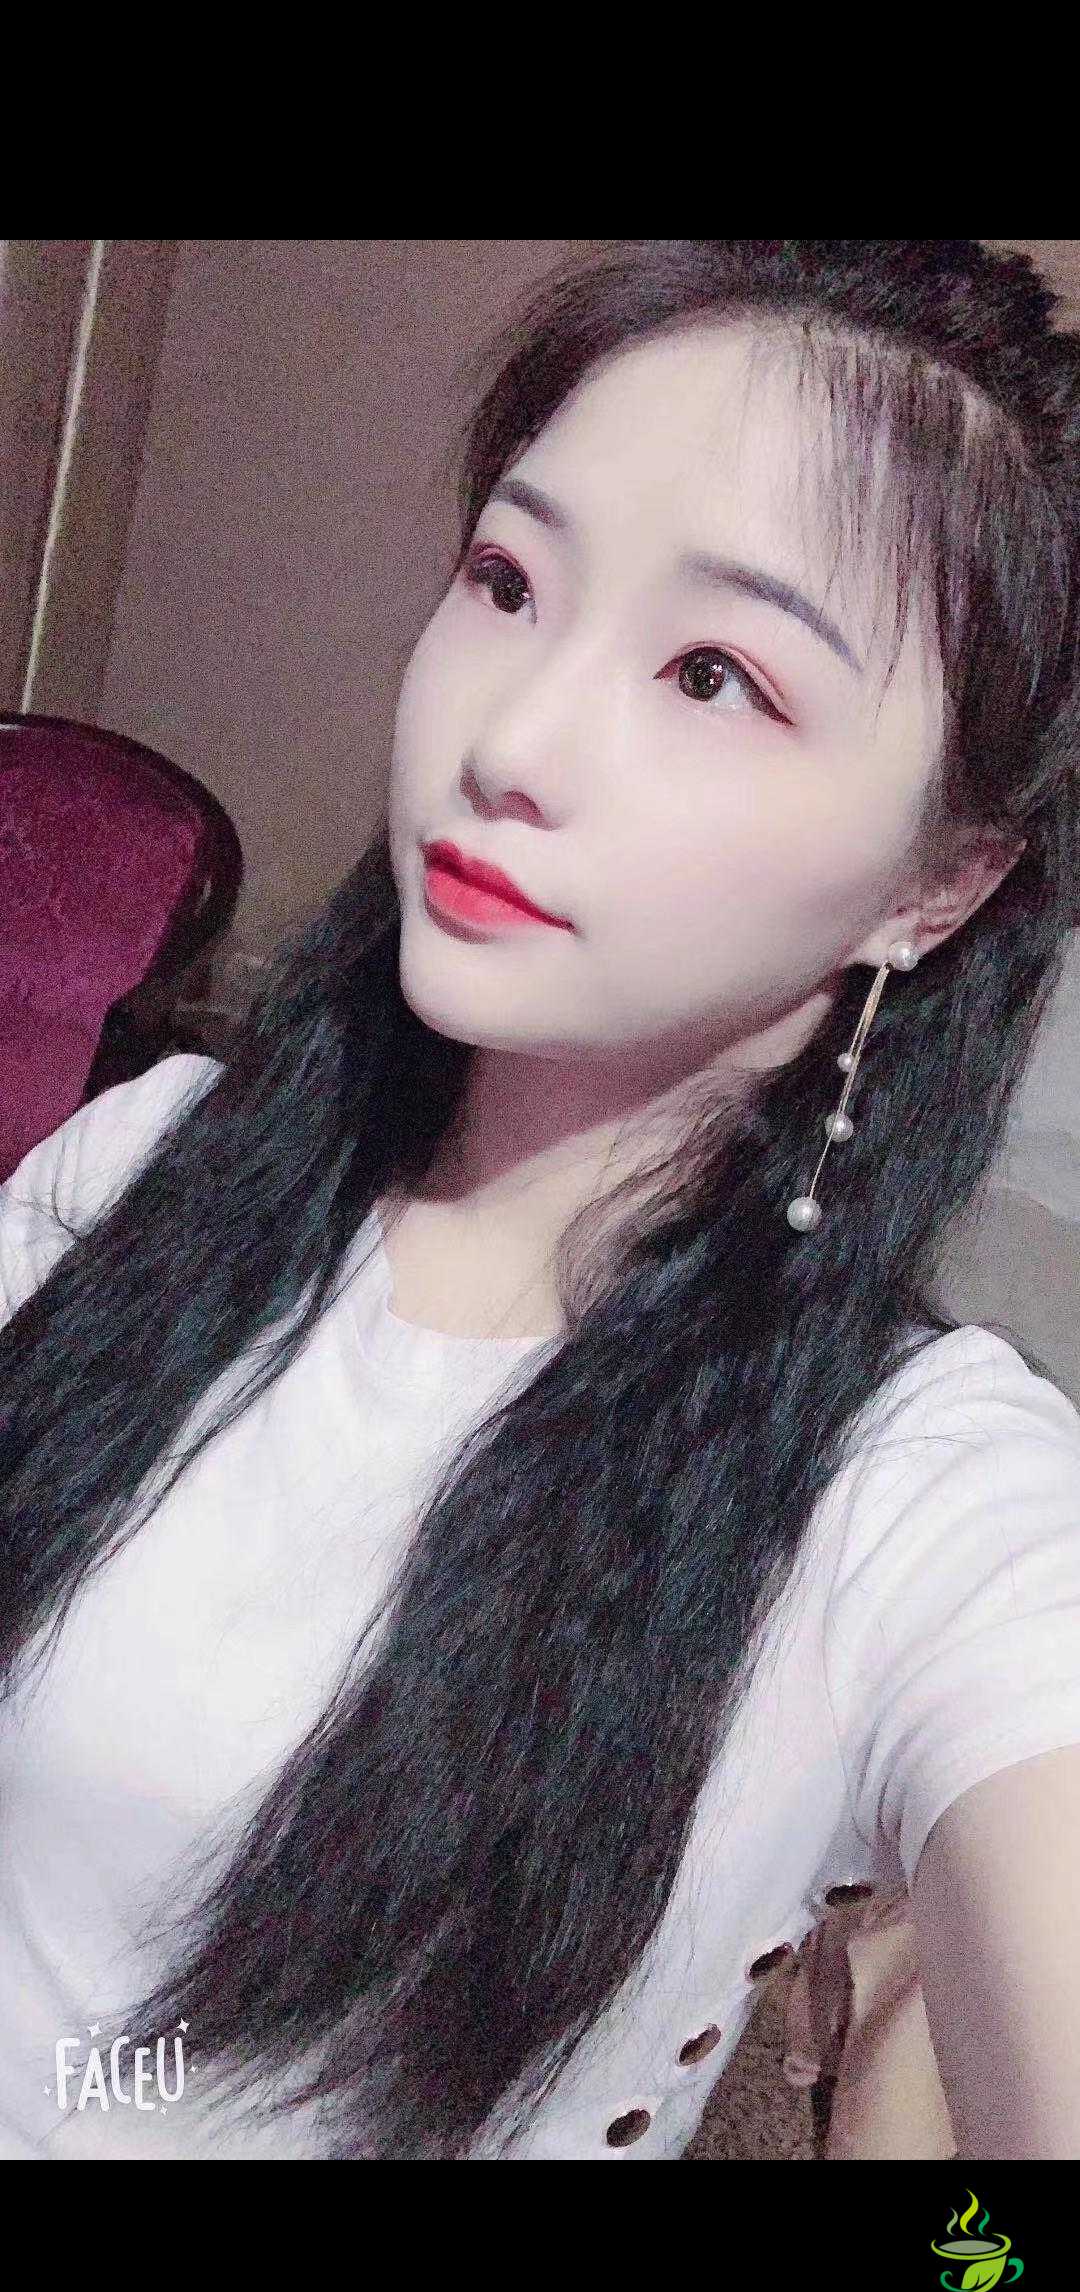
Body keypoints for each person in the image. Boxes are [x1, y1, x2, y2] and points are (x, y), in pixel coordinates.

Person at [2, 237, 1080, 2162]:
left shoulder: (916, 1500)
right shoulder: (149, 1162)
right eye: (507, 583)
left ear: (941, 886)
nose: (508, 742)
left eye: (715, 674)